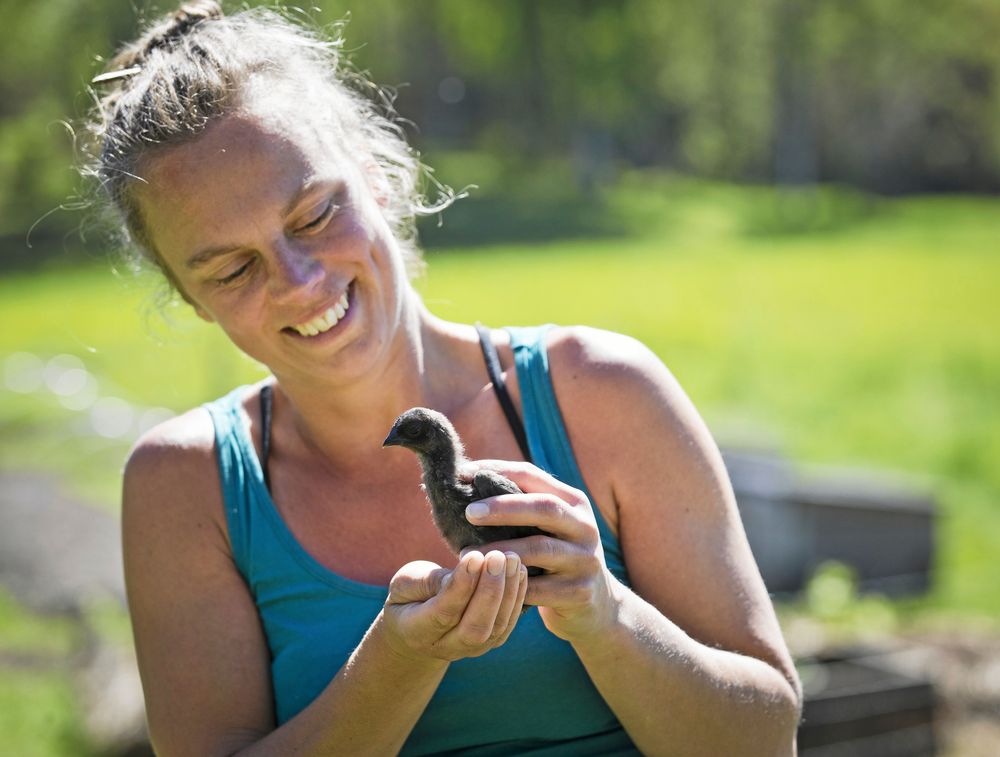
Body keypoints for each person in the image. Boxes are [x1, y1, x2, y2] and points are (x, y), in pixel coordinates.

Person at [90, 2, 802, 754]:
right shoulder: (189, 488)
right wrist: (399, 662)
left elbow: (764, 739)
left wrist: (606, 615)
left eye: (315, 214)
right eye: (233, 268)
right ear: (189, 297)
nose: (298, 282)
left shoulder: (602, 394)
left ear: (376, 175)